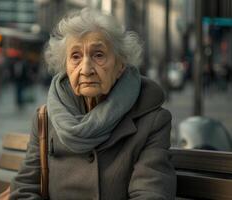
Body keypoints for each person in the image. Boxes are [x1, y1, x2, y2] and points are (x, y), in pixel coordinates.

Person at [10, 8, 176, 199]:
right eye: (75, 57)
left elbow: (150, 193)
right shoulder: (45, 120)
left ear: (120, 65)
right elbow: (24, 189)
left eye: (98, 55)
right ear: (66, 67)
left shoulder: (153, 122)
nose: (86, 69)